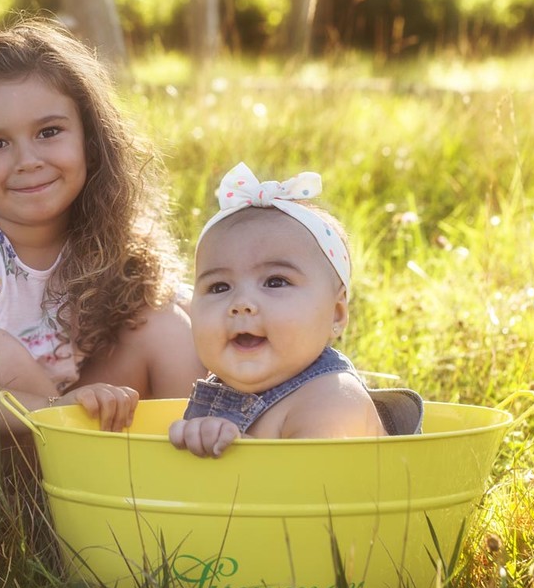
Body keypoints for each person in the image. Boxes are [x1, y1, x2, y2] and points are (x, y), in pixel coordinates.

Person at [0, 20, 204, 510]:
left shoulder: (105, 232)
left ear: (89, 138)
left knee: (167, 323)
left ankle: (184, 487)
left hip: (58, 438)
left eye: (49, 132)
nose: (27, 160)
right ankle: (66, 510)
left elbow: (197, 321)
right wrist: (52, 412)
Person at [168, 163, 423, 458]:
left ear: (336, 314)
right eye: (219, 287)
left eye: (275, 282)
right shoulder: (219, 390)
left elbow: (316, 480)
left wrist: (235, 452)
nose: (241, 303)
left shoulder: (332, 398)